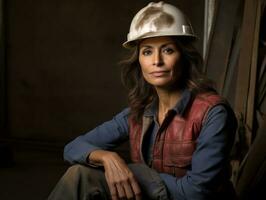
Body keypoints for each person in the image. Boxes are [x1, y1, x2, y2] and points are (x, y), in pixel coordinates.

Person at [48, 2, 237, 200]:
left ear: (184, 56)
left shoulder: (213, 113)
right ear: (138, 61)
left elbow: (197, 192)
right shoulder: (139, 113)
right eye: (147, 51)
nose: (157, 61)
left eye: (168, 50)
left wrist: (133, 173)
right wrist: (108, 158)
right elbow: (73, 148)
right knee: (79, 175)